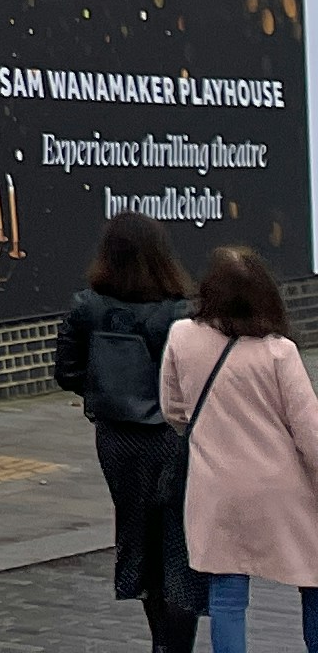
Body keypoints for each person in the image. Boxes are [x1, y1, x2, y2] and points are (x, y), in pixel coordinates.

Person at [164, 246, 318, 653]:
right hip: (282, 490)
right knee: (314, 578)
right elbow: (310, 433)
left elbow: (173, 409)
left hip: (215, 488)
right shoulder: (277, 352)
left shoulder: (182, 337)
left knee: (227, 596)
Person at [58, 212, 197, 653]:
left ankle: (159, 637)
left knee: (137, 533)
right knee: (177, 542)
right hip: (173, 436)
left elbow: (67, 372)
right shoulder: (182, 313)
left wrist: (104, 388)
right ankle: (176, 645)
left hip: (118, 438)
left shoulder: (87, 307)